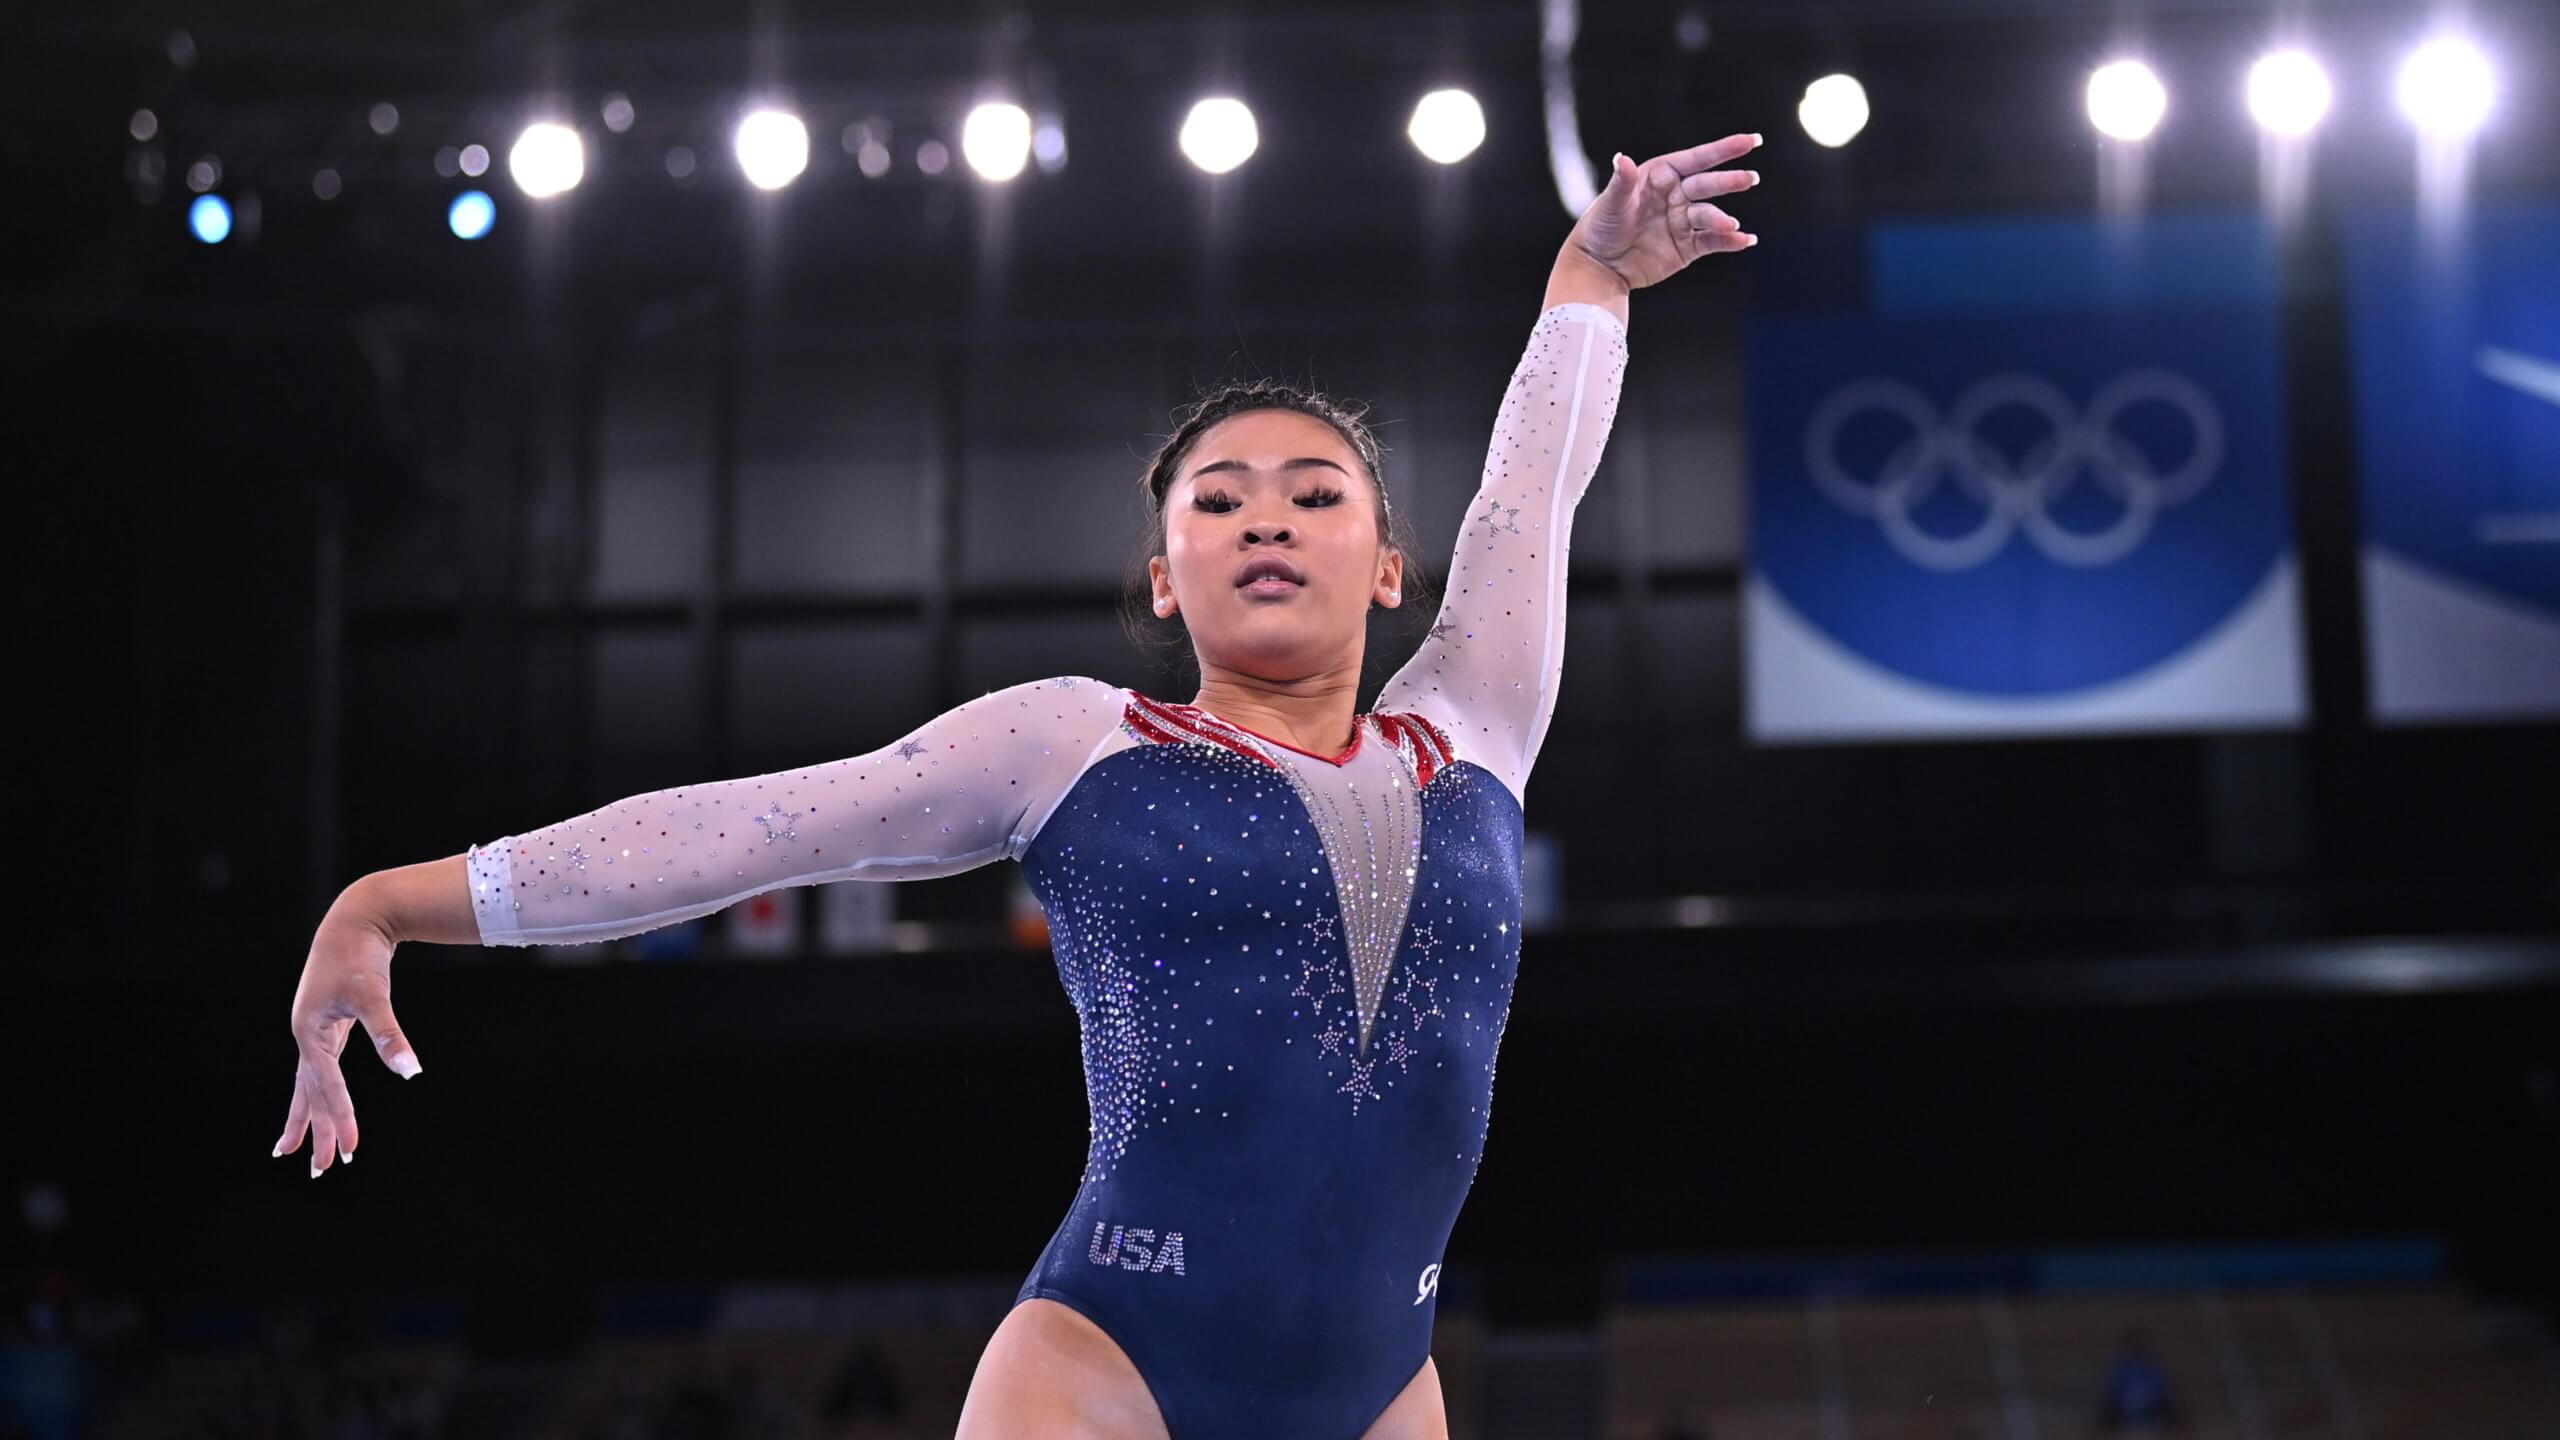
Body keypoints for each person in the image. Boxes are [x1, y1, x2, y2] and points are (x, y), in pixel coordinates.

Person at [272, 132, 1765, 1440]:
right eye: (1217, 500)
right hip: (1109, 1365)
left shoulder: (1472, 729)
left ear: (1386, 568)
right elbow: (755, 828)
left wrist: (1595, 277)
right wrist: (396, 902)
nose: (1268, 520)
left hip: (1378, 1387)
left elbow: (1529, 494)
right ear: (1164, 578)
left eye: (1318, 495)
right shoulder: (1076, 745)